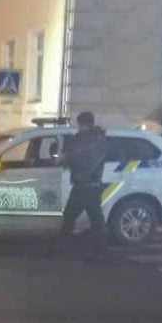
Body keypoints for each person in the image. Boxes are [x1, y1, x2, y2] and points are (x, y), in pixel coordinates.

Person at [58, 111, 108, 260]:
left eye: (80, 124)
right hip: (86, 185)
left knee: (75, 217)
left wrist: (68, 157)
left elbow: (85, 161)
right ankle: (97, 250)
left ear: (86, 124)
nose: (79, 127)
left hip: (87, 185)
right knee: (89, 218)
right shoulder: (90, 139)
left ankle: (96, 251)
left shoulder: (93, 141)